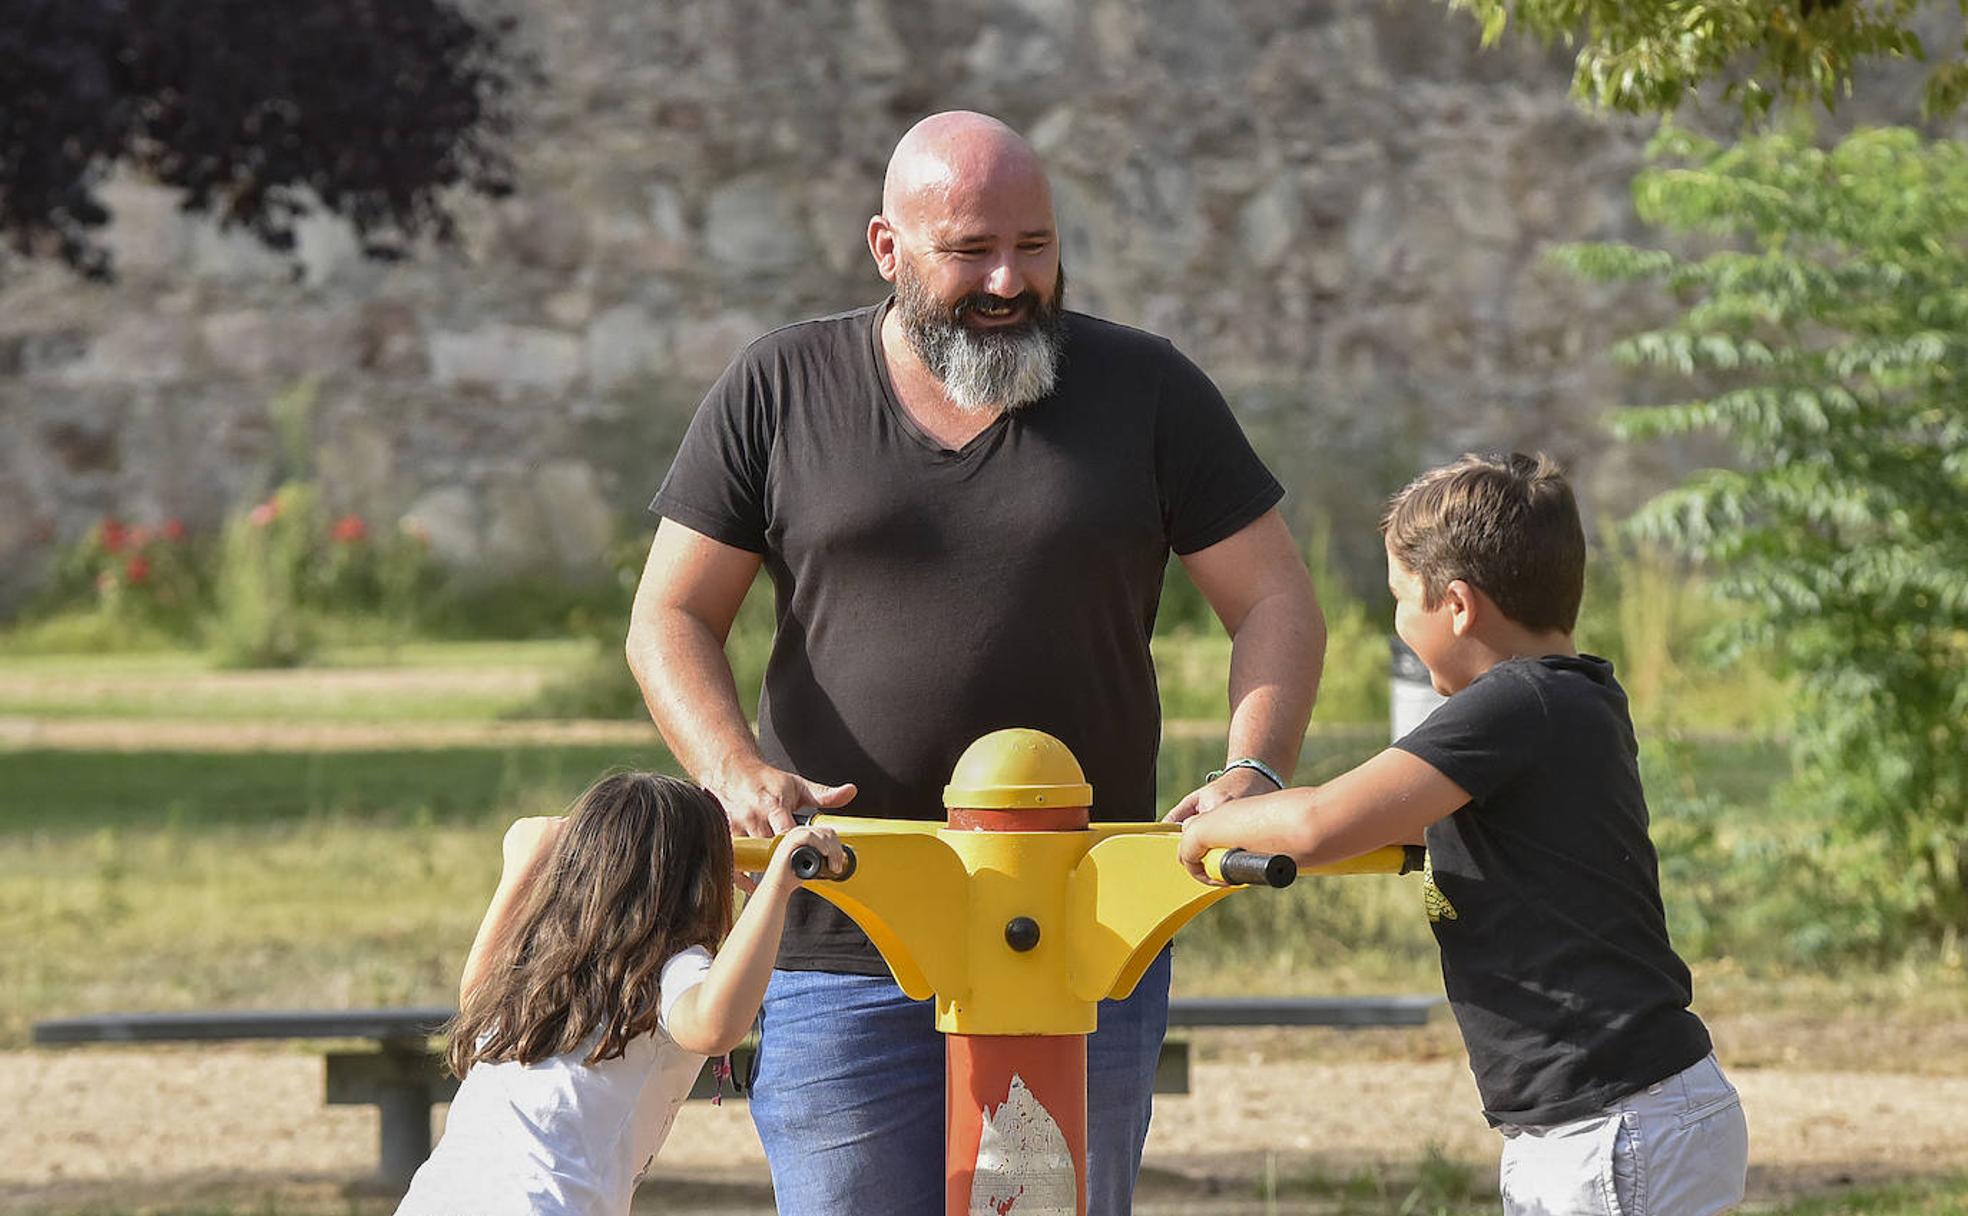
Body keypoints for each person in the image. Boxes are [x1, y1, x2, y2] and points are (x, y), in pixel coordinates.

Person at [626, 110, 1325, 1213]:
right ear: (886, 248)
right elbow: (668, 613)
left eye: (1034, 246)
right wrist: (731, 768)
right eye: (970, 251)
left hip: (1080, 938)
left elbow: (1276, 598)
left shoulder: (1147, 389)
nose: (1010, 279)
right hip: (838, 930)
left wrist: (1255, 772)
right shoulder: (780, 385)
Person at [1175, 452, 1749, 1216]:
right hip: (1624, 1113)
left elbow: (1318, 826)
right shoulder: (1571, 697)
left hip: (1610, 1126)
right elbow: (1392, 813)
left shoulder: (1513, 705)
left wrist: (1215, 822)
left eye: (1398, 600)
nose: (1396, 623)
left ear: (1457, 606)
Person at [393, 772, 847, 1216]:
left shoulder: (545, 961)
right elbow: (714, 1025)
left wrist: (520, 868)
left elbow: (477, 998)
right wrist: (778, 886)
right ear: (699, 881)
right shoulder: (666, 968)